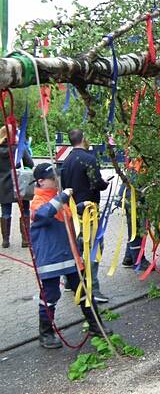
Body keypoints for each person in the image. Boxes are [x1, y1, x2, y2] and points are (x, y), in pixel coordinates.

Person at [30, 163, 112, 349]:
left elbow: (67, 215)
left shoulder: (57, 200)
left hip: (70, 257)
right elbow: (43, 214)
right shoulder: (39, 201)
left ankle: (95, 325)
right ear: (41, 182)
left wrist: (81, 206)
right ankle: (46, 334)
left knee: (83, 291)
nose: (57, 180)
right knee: (50, 296)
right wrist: (62, 197)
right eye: (53, 178)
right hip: (50, 260)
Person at [61, 129, 111, 303]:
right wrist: (105, 184)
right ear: (83, 139)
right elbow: (96, 182)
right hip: (89, 211)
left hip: (73, 212)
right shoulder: (89, 159)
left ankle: (70, 281)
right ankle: (93, 288)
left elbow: (64, 187)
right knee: (95, 248)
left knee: (76, 247)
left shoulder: (66, 160)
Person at [0, 125, 34, 248]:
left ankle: (5, 240)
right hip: (19, 183)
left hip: (3, 185)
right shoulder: (19, 149)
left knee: (5, 212)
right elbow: (30, 163)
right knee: (24, 210)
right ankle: (25, 240)